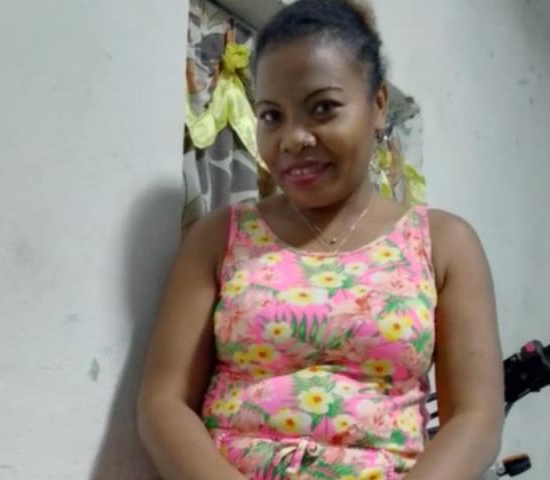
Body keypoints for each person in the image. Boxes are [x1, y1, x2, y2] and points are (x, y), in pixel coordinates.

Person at [137, 1, 504, 478]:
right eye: (272, 116)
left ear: (378, 105)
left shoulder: (444, 243)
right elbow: (163, 404)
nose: (293, 139)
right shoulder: (220, 237)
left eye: (323, 109)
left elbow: (475, 419)